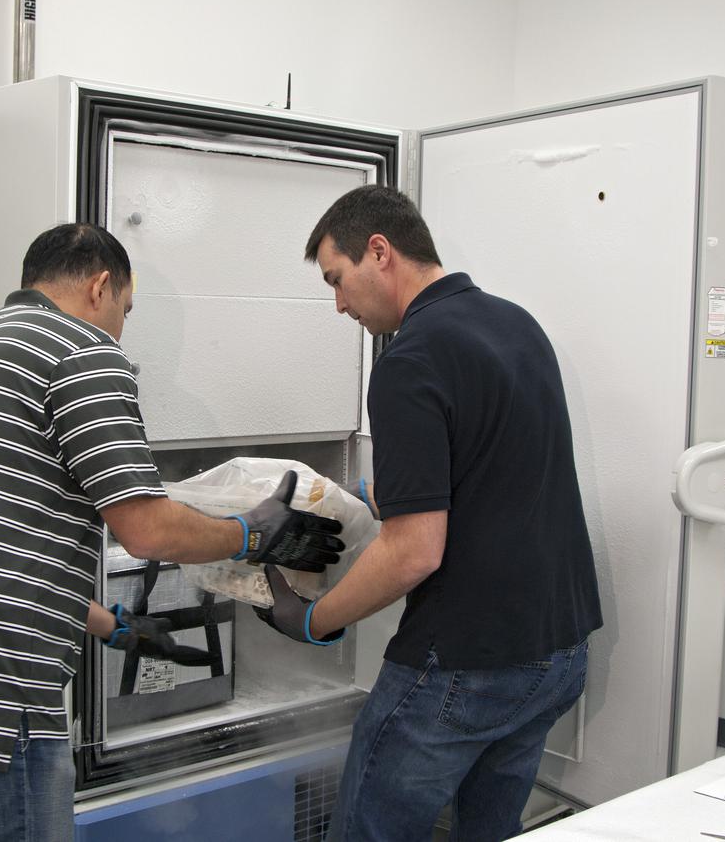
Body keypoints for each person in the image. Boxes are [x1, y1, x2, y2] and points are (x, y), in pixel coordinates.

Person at [0, 223, 343, 842]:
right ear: (100, 286)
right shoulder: (82, 351)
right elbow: (145, 530)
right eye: (127, 311)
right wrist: (254, 534)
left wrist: (120, 629)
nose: (121, 328)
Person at [256, 186, 603, 841]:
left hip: (466, 666)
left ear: (379, 252)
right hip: (557, 652)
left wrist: (312, 620)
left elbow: (415, 551)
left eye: (337, 279)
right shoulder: (514, 324)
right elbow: (490, 471)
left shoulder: (408, 359)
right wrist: (357, 501)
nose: (338, 304)